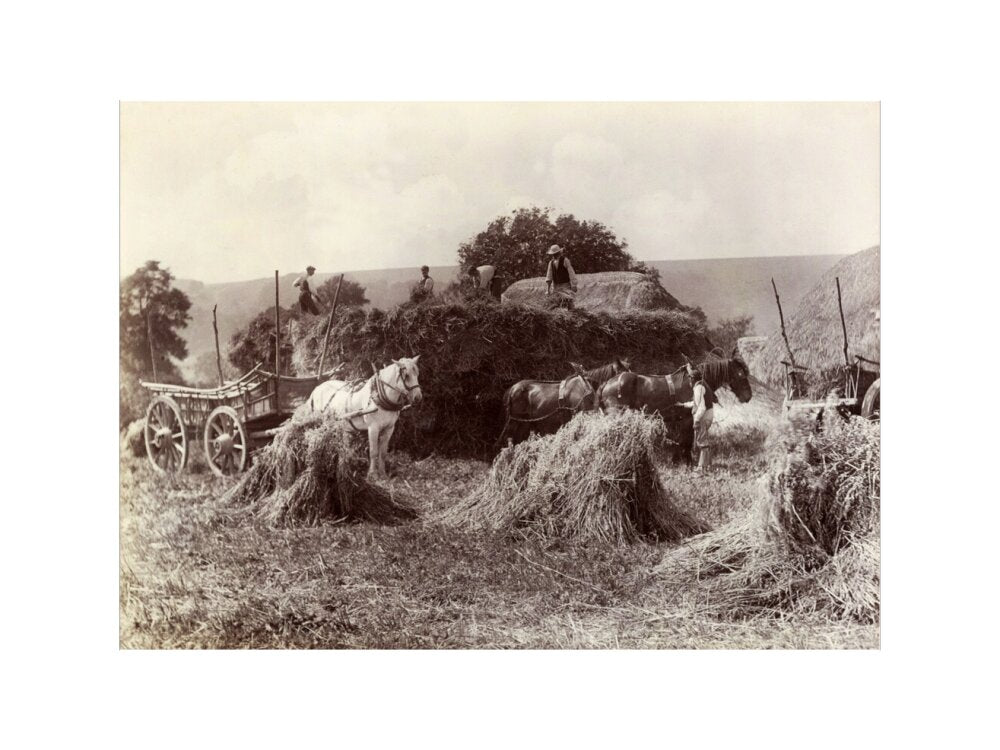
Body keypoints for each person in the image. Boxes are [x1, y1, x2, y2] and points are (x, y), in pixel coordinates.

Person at [682, 368, 716, 471]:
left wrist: (696, 420)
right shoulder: (702, 386)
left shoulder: (698, 388)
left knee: (701, 441)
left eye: (690, 379)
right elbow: (696, 403)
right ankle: (708, 466)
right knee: (703, 440)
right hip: (707, 415)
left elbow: (701, 407)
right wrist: (683, 405)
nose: (689, 381)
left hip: (703, 417)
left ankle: (701, 468)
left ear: (693, 379)